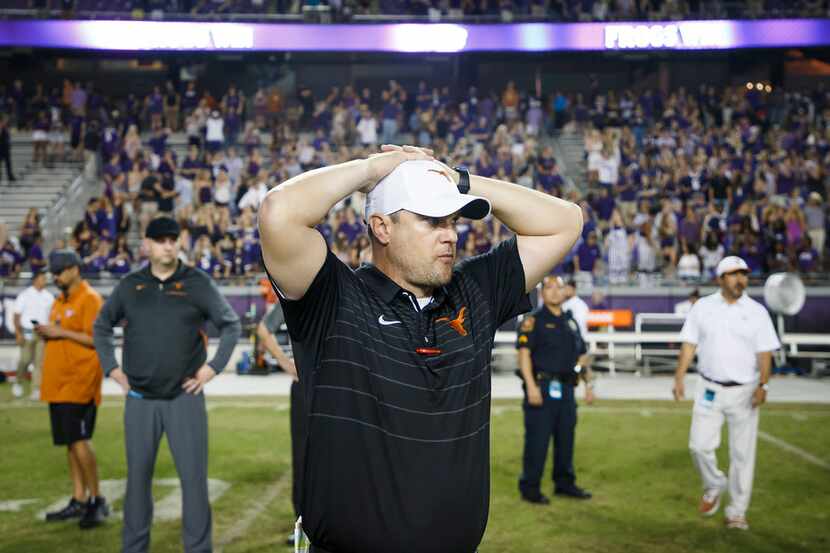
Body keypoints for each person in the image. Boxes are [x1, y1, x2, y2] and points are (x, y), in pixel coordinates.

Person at [258, 145, 583, 553]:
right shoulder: (336, 298)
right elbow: (278, 212)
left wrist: (456, 179)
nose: (450, 234)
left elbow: (566, 221)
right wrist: (372, 169)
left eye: (451, 220)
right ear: (381, 228)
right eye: (431, 221)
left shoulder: (475, 291)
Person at [92, 216, 240, 553]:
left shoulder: (196, 282)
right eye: (160, 239)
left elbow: (230, 325)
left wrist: (212, 368)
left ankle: (199, 549)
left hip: (183, 399)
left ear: (180, 242)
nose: (168, 244)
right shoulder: (131, 285)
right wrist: (112, 369)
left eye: (173, 239)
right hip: (140, 399)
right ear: (146, 244)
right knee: (137, 483)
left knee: (193, 483)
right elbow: (101, 326)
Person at [672, 256, 781, 531]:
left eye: (743, 274)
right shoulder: (703, 308)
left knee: (743, 455)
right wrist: (679, 378)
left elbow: (764, 352)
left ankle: (737, 512)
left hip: (744, 391)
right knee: (698, 446)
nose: (739, 279)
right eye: (733, 274)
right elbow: (689, 345)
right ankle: (714, 484)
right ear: (720, 279)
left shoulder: (757, 312)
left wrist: (763, 385)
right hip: (709, 387)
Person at [39, 250, 109, 529]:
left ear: (74, 270)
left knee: (80, 442)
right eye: (53, 272)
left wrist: (60, 333)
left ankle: (97, 499)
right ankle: (79, 498)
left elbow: (96, 340)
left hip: (79, 382)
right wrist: (47, 332)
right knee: (70, 443)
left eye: (60, 271)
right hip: (59, 384)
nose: (55, 276)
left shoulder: (90, 299)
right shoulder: (59, 301)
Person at [516, 276, 592, 504]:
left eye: (559, 287)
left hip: (568, 389)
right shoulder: (533, 321)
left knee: (565, 439)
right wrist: (531, 386)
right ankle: (530, 488)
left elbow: (582, 355)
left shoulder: (571, 322)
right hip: (542, 388)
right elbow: (524, 355)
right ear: (542, 293)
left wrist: (589, 385)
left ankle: (564, 483)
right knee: (537, 442)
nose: (555, 292)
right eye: (549, 288)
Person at [255, 302, 303, 546]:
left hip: (342, 383)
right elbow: (263, 329)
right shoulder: (294, 293)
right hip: (306, 386)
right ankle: (303, 526)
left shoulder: (347, 285)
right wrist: (286, 363)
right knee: (304, 458)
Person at [12, 270, 54, 399]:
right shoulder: (25, 295)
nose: (45, 281)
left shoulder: (49, 296)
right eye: (42, 278)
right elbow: (16, 315)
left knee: (39, 362)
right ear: (35, 280)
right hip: (28, 331)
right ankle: (18, 382)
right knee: (25, 359)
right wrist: (18, 333)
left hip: (42, 332)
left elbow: (52, 316)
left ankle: (36, 389)